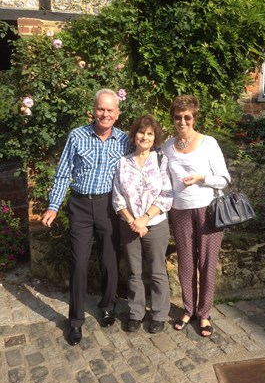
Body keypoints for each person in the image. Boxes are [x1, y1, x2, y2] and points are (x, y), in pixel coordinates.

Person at [41, 88, 132, 346]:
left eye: (109, 110)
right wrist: (53, 206)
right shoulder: (77, 136)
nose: (104, 114)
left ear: (117, 114)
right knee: (79, 264)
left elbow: (143, 160)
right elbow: (63, 173)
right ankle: (76, 321)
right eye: (100, 109)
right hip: (80, 206)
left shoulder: (125, 140)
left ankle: (107, 307)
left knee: (109, 261)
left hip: (108, 207)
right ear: (93, 110)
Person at [162, 94, 231, 337]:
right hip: (179, 211)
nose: (182, 121)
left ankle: (204, 313)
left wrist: (202, 178)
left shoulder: (208, 143)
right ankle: (189, 309)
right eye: (177, 117)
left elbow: (224, 179)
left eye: (187, 117)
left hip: (207, 210)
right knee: (186, 263)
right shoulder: (167, 147)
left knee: (207, 263)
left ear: (194, 118)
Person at [112, 115, 173, 334]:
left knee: (157, 271)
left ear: (155, 138)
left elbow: (167, 195)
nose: (144, 137)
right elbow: (117, 197)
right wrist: (132, 221)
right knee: (134, 272)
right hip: (128, 225)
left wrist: (144, 219)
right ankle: (136, 313)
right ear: (134, 135)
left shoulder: (160, 160)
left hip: (155, 224)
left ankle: (159, 314)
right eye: (141, 132)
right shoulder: (123, 162)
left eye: (149, 133)